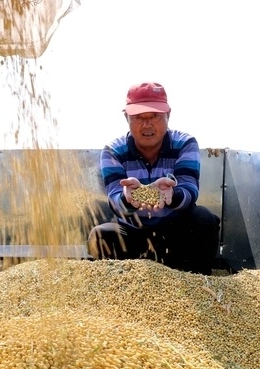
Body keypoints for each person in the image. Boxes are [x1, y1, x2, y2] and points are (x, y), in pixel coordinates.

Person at [87, 82, 221, 275]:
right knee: (100, 236)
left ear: (168, 115)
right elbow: (115, 198)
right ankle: (125, 286)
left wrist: (172, 195)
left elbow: (190, 190)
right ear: (126, 117)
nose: (147, 124)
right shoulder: (113, 151)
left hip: (175, 234)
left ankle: (197, 284)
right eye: (139, 117)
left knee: (204, 220)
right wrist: (127, 199)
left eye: (155, 116)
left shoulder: (185, 144)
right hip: (133, 234)